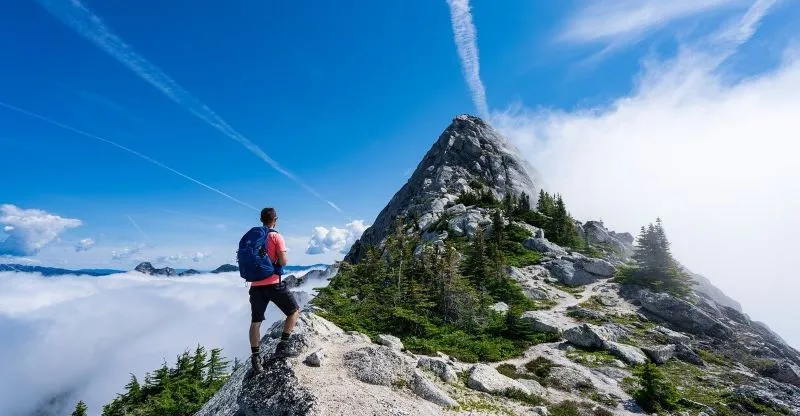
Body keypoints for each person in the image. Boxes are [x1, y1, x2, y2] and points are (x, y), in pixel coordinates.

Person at [248, 207, 300, 373]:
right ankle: (282, 346)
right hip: (273, 283)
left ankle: (256, 358)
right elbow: (284, 261)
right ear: (275, 219)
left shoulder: (253, 238)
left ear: (261, 220)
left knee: (255, 323)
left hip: (256, 285)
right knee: (294, 311)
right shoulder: (276, 236)